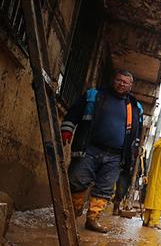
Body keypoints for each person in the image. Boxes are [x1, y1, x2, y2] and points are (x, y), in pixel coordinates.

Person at [60, 70, 143, 233]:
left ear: (130, 86)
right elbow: (74, 112)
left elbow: (137, 132)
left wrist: (133, 150)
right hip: (90, 148)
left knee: (104, 188)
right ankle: (74, 210)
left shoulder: (135, 107)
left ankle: (93, 219)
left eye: (125, 82)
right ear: (114, 80)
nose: (121, 84)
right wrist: (67, 129)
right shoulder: (94, 95)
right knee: (77, 179)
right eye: (119, 80)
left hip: (115, 155)